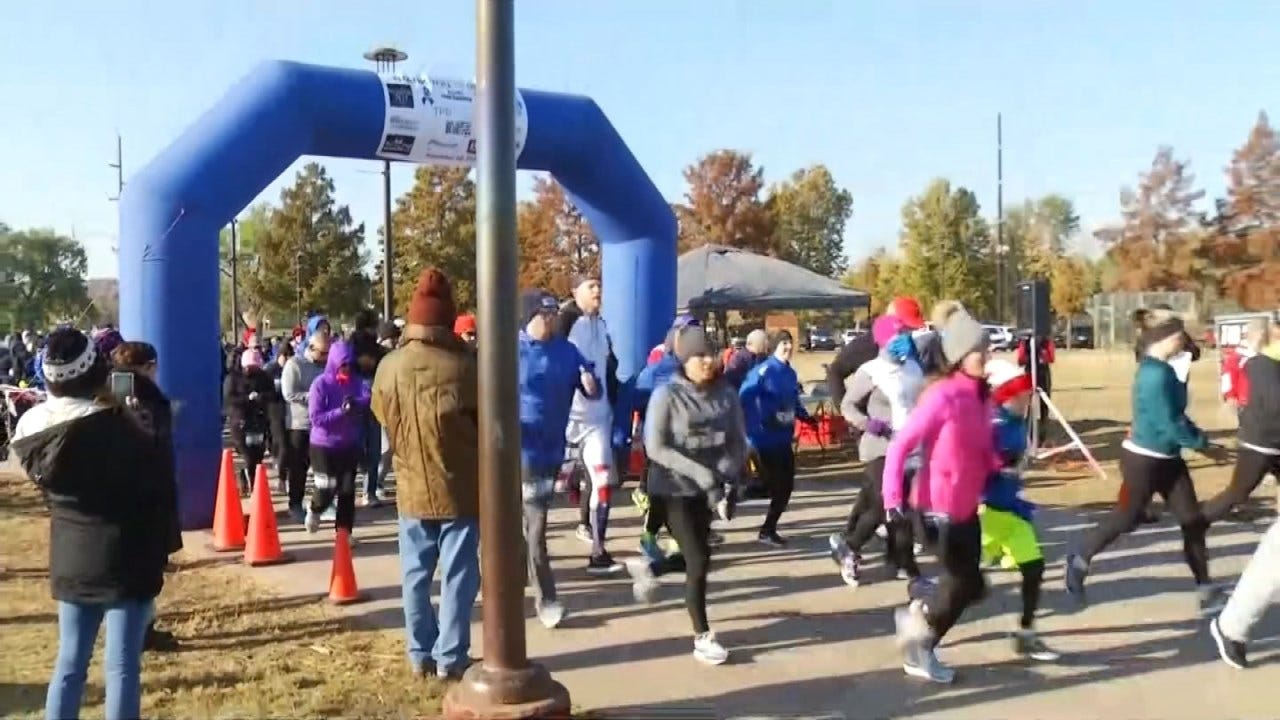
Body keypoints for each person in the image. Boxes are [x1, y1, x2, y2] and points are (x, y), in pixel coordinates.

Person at [10, 327, 173, 720]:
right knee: (120, 667)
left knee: (69, 666)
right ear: (95, 372)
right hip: (125, 559)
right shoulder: (119, 428)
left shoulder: (30, 430)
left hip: (71, 557)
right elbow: (154, 483)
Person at [1065, 315, 1227, 615]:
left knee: (1192, 521)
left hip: (1169, 461)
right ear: (1164, 339)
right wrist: (1202, 443)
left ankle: (1205, 587)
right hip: (1141, 462)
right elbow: (1168, 422)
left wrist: (1199, 441)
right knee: (1125, 515)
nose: (1183, 340)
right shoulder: (1154, 375)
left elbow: (1176, 415)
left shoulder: (1166, 371)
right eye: (1178, 336)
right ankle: (1079, 557)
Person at [371, 268, 480, 680]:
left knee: (415, 576)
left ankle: (419, 653)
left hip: (411, 487)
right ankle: (451, 657)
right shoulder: (465, 368)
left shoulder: (388, 367)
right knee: (458, 577)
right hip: (460, 489)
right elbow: (486, 424)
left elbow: (380, 414)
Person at [883, 307, 996, 684]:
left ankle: (921, 608)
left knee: (971, 586)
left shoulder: (981, 397)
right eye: (981, 349)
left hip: (967, 507)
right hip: (935, 508)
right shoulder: (943, 396)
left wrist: (999, 465)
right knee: (960, 585)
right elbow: (901, 447)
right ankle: (921, 644)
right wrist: (891, 497)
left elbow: (980, 448)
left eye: (988, 347)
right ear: (962, 355)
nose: (988, 354)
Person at [628, 325, 746, 665]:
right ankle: (702, 636)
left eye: (710, 354)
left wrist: (726, 472)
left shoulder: (726, 395)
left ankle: (651, 568)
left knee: (698, 553)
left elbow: (739, 440)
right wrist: (701, 473)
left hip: (708, 488)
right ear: (684, 359)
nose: (707, 361)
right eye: (699, 356)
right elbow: (655, 447)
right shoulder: (666, 395)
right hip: (671, 488)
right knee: (699, 559)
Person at [518, 289, 601, 628]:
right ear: (529, 317)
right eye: (544, 315)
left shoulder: (566, 350)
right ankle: (533, 591)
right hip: (510, 451)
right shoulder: (509, 350)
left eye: (553, 314)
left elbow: (590, 383)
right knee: (516, 528)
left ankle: (540, 594)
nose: (550, 320)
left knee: (534, 528)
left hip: (547, 453)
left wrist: (589, 382)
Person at [832, 314, 925, 587]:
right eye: (899, 334)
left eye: (906, 334)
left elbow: (920, 404)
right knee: (883, 504)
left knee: (902, 509)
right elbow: (848, 405)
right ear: (883, 339)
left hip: (909, 448)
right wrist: (867, 424)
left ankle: (903, 563)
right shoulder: (870, 371)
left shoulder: (913, 369)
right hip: (880, 448)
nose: (904, 339)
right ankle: (849, 547)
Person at [978, 359, 1060, 662]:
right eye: (1021, 396)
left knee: (1034, 568)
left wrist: (1021, 464)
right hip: (986, 514)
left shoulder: (1015, 423)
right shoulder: (991, 424)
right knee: (964, 586)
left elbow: (1014, 462)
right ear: (1004, 395)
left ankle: (1026, 633)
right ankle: (922, 616)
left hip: (1011, 513)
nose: (1027, 401)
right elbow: (975, 462)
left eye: (1028, 395)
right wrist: (1002, 463)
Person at [110, 340, 184, 654]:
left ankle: (140, 628)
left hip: (121, 497)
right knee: (144, 570)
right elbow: (152, 442)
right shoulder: (147, 402)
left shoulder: (105, 399)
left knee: (134, 569)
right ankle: (138, 632)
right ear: (147, 366)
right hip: (147, 497)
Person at [557, 274, 623, 575]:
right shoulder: (566, 322)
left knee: (603, 481)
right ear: (576, 292)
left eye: (600, 285)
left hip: (598, 419)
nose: (598, 291)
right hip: (566, 419)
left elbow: (610, 366)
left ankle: (598, 550)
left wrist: (613, 394)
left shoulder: (602, 324)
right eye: (591, 286)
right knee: (540, 490)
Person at [739, 329, 815, 546]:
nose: (789, 348)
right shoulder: (763, 371)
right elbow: (743, 396)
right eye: (784, 344)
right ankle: (739, 491)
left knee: (786, 486)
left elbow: (794, 401)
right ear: (774, 347)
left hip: (783, 438)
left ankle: (767, 529)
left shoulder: (790, 373)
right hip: (762, 439)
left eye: (791, 344)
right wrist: (753, 421)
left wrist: (805, 417)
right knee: (775, 485)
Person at [1203, 323, 1280, 525]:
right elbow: (1274, 404)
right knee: (1238, 492)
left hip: (1269, 436)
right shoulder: (1259, 363)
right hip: (1262, 439)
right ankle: (1199, 521)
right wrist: (1230, 397)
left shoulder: (1265, 362)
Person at [304, 339, 370, 536]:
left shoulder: (356, 382)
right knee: (327, 485)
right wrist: (341, 412)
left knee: (347, 491)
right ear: (333, 363)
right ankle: (315, 508)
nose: (346, 369)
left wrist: (356, 403)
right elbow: (316, 418)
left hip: (349, 444)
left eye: (349, 365)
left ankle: (344, 533)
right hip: (323, 445)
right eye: (343, 365)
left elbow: (368, 395)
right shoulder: (320, 385)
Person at [281, 323, 329, 522]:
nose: (326, 357)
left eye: (328, 353)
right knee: (298, 468)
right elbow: (289, 393)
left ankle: (320, 505)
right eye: (322, 353)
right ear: (311, 348)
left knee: (323, 469)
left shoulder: (325, 366)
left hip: (322, 425)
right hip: (299, 425)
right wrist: (313, 396)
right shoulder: (295, 365)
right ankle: (295, 504)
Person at [350, 310, 389, 507]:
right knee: (366, 448)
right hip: (362, 402)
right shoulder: (353, 350)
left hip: (365, 403)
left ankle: (366, 490)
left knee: (369, 448)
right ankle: (366, 490)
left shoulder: (375, 351)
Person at [224, 347, 274, 495]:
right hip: (240, 421)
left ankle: (255, 483)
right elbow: (229, 399)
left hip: (258, 420)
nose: (251, 370)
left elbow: (272, 394)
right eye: (248, 367)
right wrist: (247, 399)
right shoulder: (233, 378)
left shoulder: (264, 377)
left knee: (258, 455)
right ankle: (249, 480)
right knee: (247, 455)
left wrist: (261, 397)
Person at [265, 342, 294, 494]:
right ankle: (281, 478)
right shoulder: (271, 370)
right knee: (281, 444)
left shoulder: (293, 369)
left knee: (289, 446)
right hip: (275, 411)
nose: (288, 360)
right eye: (286, 357)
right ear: (280, 356)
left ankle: (285, 473)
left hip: (291, 412)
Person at [1014, 332, 1055, 436]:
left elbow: (1050, 358)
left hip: (1041, 372)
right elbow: (1021, 359)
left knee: (1043, 403)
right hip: (1031, 372)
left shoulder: (1045, 340)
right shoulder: (1025, 340)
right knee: (1029, 403)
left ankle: (1041, 430)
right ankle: (1029, 430)